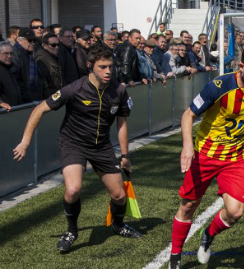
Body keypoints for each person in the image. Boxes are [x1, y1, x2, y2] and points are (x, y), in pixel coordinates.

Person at [13, 44, 143, 253]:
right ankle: (72, 231)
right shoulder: (74, 88)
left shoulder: (118, 90)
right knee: (73, 189)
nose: (108, 71)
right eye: (103, 67)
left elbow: (122, 124)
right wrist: (25, 141)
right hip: (73, 144)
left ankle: (118, 225)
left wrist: (125, 155)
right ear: (90, 66)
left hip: (101, 147)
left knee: (119, 196)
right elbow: (39, 109)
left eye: (110, 66)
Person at [165, 44, 244, 269]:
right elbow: (188, 115)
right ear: (241, 66)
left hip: (235, 159)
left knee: (235, 212)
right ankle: (175, 256)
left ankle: (208, 236)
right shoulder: (219, 87)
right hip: (204, 156)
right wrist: (187, 146)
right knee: (187, 207)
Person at [34, 33, 62, 98]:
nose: (57, 47)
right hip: (50, 97)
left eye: (58, 45)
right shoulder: (41, 59)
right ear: (45, 46)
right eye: (53, 45)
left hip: (57, 95)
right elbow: (44, 83)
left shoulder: (56, 57)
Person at [0, 41, 21, 111]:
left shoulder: (13, 68)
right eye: (6, 53)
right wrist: (1, 103)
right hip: (5, 113)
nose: (9, 56)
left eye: (11, 53)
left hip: (17, 109)